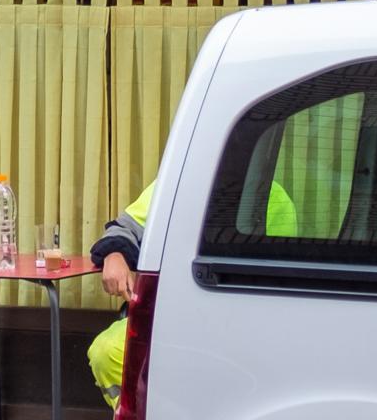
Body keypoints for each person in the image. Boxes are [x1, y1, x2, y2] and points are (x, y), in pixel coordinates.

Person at [86, 174, 298, 407]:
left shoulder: (274, 198)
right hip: (172, 314)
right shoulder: (177, 181)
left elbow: (279, 278)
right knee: (106, 352)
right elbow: (125, 227)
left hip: (241, 322)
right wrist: (115, 254)